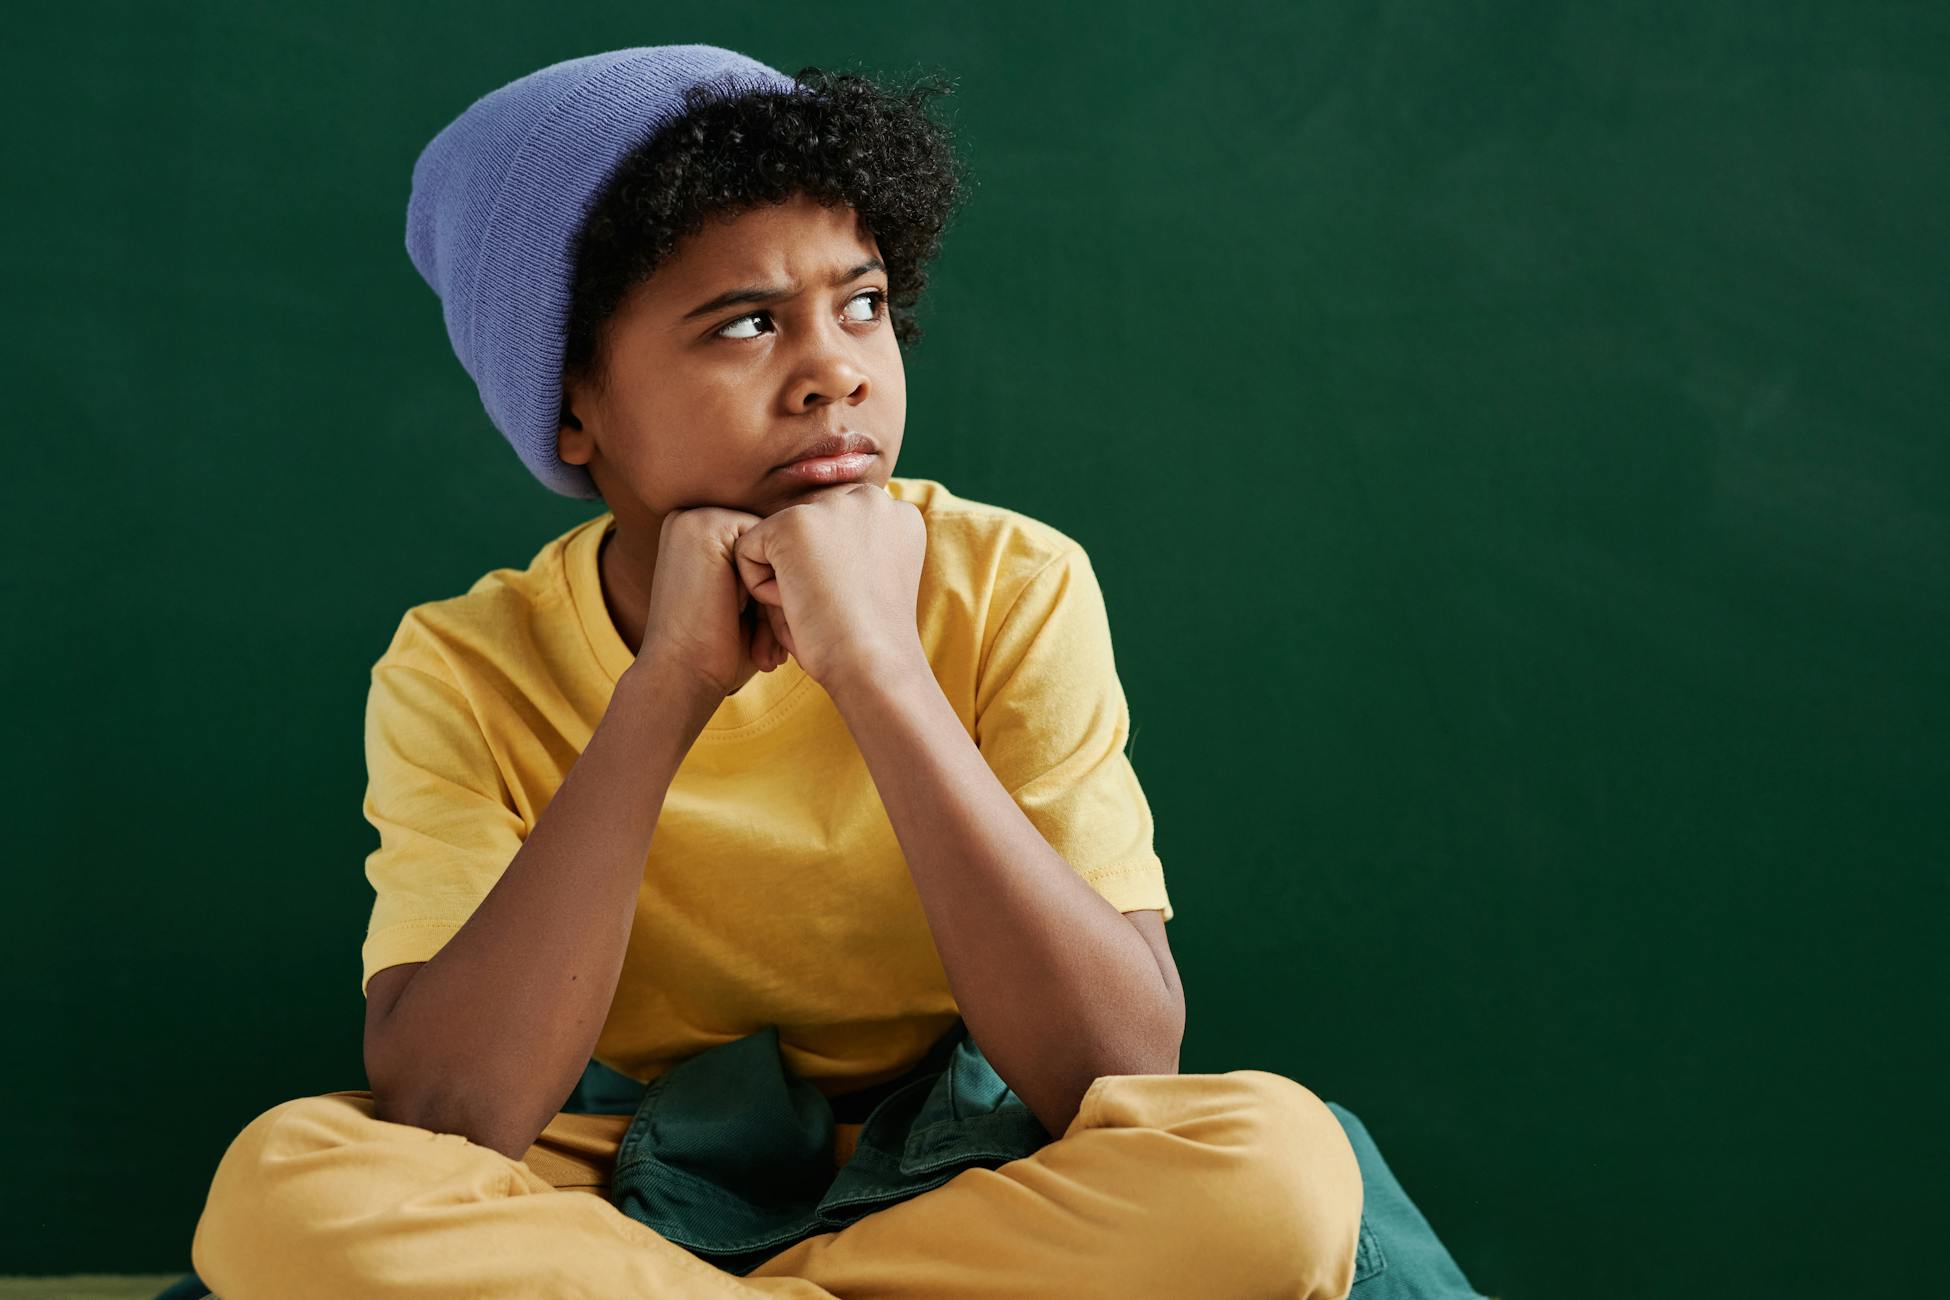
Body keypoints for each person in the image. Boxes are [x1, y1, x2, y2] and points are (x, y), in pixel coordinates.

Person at [185, 44, 1370, 1299]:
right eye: (747, 323)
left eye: (861, 305)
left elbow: (1116, 1064)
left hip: (973, 1167)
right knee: (287, 1186)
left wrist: (879, 668)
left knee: (1278, 1165)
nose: (837, 370)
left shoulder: (1014, 582)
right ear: (572, 403)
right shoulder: (464, 664)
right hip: (609, 1170)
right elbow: (452, 1108)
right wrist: (668, 686)